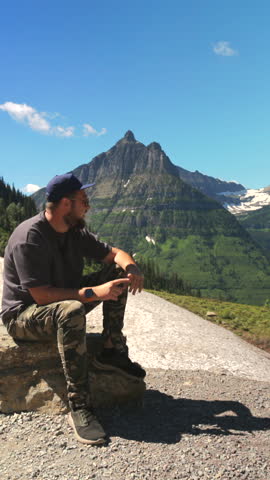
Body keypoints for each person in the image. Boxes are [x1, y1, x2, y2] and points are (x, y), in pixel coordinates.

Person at [1, 172, 145, 445]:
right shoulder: (29, 237)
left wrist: (132, 268)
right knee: (70, 310)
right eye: (83, 200)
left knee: (116, 277)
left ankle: (112, 350)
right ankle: (79, 405)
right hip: (23, 316)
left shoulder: (73, 231)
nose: (88, 205)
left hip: (62, 303)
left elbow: (116, 254)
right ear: (66, 203)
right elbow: (42, 297)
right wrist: (93, 293)